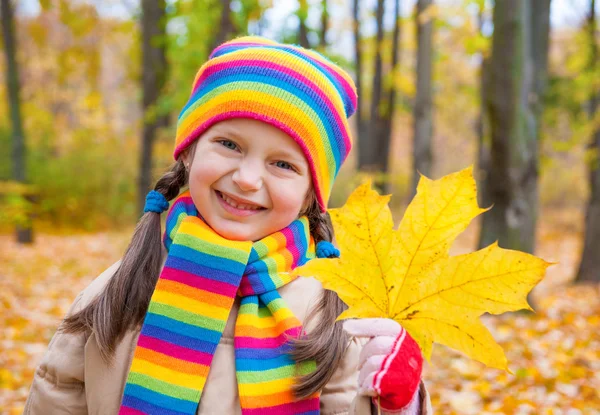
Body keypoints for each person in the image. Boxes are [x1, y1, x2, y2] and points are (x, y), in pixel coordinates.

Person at [24, 36, 432, 415]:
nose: (248, 178)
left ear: (311, 197)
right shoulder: (115, 292)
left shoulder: (333, 316)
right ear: (188, 153)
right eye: (230, 144)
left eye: (283, 164)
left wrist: (401, 404)